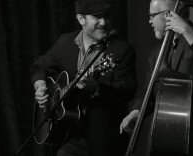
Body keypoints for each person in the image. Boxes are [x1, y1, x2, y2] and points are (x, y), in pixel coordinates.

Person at [120, 0, 193, 155]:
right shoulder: (157, 53)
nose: (149, 20)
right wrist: (137, 110)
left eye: (152, 15)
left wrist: (185, 29)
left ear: (168, 15)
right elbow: (148, 90)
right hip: (170, 139)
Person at [31, 0, 137, 155]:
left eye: (106, 16)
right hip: (68, 135)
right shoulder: (65, 42)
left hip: (104, 139)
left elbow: (127, 90)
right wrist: (40, 87)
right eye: (97, 17)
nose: (104, 22)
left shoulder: (121, 50)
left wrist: (96, 88)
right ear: (81, 19)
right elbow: (40, 67)